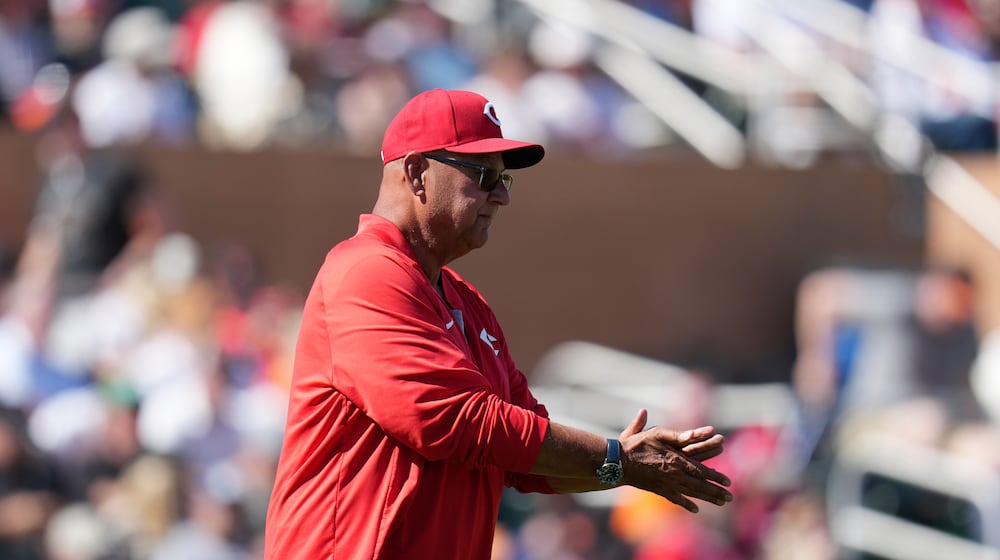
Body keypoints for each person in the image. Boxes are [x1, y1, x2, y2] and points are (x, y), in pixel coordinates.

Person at [263, 88, 733, 559]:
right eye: (484, 174)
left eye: (505, 178)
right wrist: (614, 456)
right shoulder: (366, 271)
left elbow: (523, 460)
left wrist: (622, 470)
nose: (502, 196)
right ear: (416, 173)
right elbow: (455, 419)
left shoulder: (467, 303)